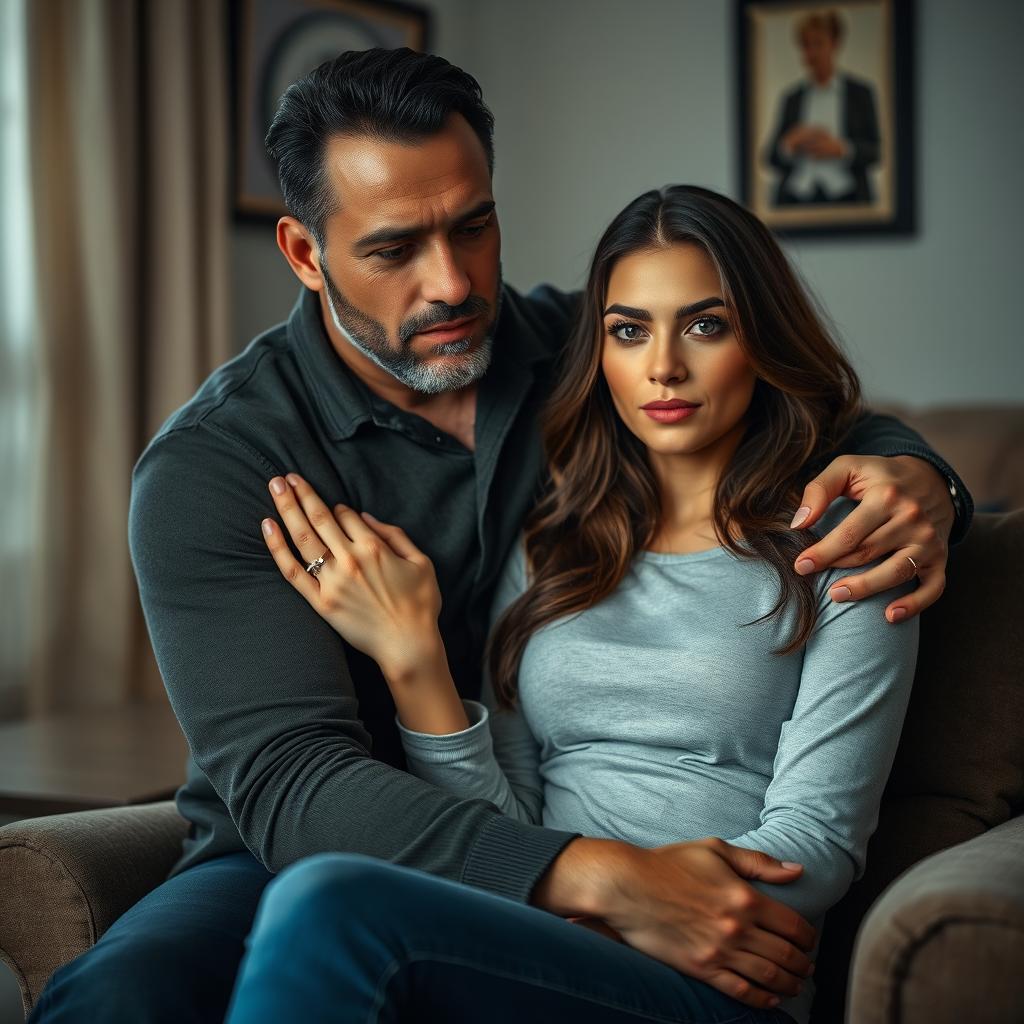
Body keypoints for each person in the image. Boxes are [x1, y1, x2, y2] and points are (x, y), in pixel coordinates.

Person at [28, 49, 969, 1024]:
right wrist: (601, 879)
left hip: (536, 866)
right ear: (307, 256)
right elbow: (292, 782)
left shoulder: (587, 355)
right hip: (307, 841)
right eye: (395, 250)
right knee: (120, 995)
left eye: (472, 227)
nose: (451, 282)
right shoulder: (214, 466)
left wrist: (922, 478)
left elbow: (794, 405)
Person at [222, 185, 919, 1024]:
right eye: (630, 330)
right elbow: (503, 820)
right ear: (601, 354)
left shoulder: (846, 547)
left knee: (329, 903)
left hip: (723, 975)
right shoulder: (553, 545)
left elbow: (819, 845)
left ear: (761, 341)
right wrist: (416, 663)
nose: (663, 365)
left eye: (705, 324)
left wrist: (639, 912)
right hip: (538, 943)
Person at [764, 10, 881, 205]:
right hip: (797, 198)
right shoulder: (792, 98)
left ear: (835, 44)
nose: (811, 53)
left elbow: (876, 151)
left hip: (848, 197)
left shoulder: (860, 93)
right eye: (806, 46)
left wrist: (842, 149)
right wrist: (789, 144)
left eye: (817, 44)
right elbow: (770, 158)